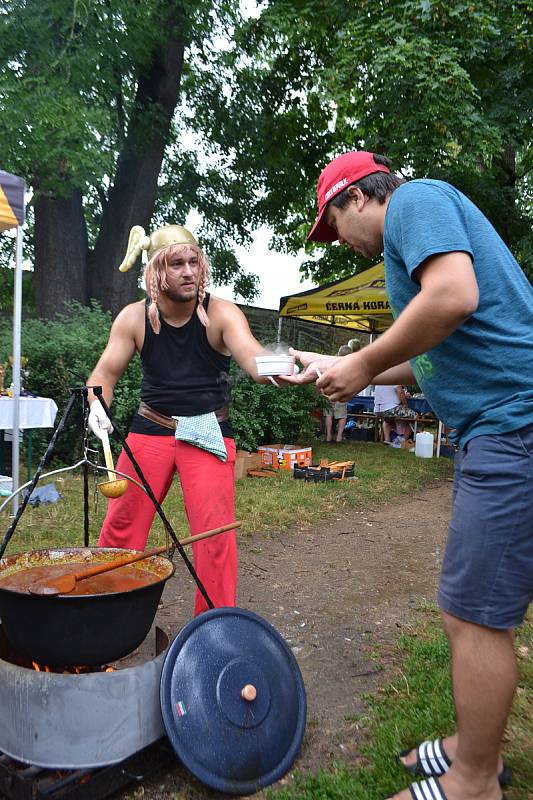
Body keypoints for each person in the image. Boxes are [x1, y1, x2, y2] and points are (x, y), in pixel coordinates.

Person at [285, 151, 533, 800]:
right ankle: (467, 746)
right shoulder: (413, 240)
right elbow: (429, 356)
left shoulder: (415, 201)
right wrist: (335, 362)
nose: (338, 241)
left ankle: (473, 783)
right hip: (500, 431)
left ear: (357, 198)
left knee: (477, 618)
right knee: (466, 613)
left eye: (333, 224)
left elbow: (454, 297)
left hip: (514, 428)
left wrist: (364, 364)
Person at [87, 223, 281, 616]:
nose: (189, 272)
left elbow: (257, 361)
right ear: (156, 271)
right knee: (120, 527)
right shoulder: (133, 318)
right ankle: (103, 612)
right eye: (177, 264)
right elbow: (103, 376)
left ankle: (213, 625)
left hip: (207, 431)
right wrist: (96, 406)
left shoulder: (221, 313)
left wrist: (295, 364)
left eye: (194, 262)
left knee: (215, 537)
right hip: (150, 429)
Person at [323, 344, 351, 442]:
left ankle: (328, 436)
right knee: (342, 415)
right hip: (342, 393)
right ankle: (339, 437)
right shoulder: (349, 365)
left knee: (328, 414)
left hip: (329, 391)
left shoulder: (332, 363)